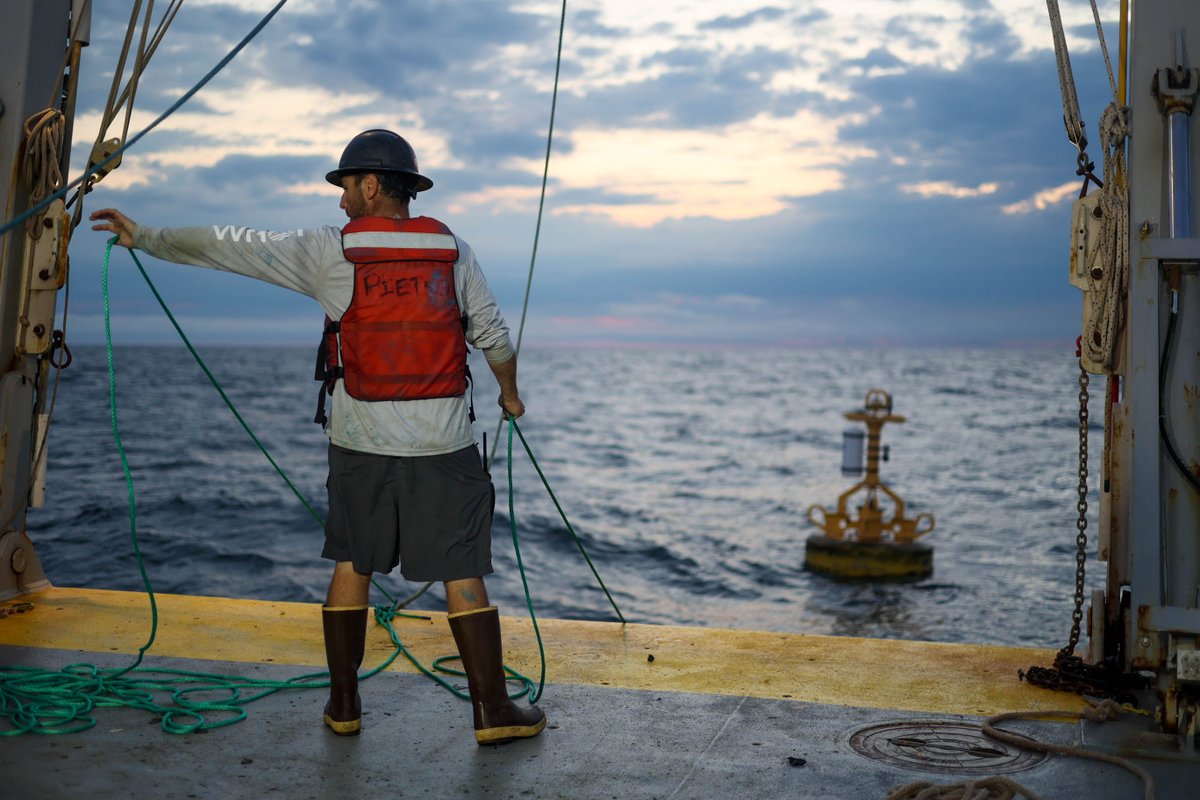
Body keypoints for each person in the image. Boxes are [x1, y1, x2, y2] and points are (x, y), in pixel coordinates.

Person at [90, 129, 546, 745]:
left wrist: (146, 237)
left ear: (371, 184)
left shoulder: (332, 251)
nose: (340, 204)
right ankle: (492, 712)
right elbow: (494, 336)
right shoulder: (454, 250)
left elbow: (236, 248)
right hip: (444, 444)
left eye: (346, 188)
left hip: (360, 441)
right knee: (462, 571)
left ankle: (344, 706)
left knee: (352, 562)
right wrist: (510, 395)